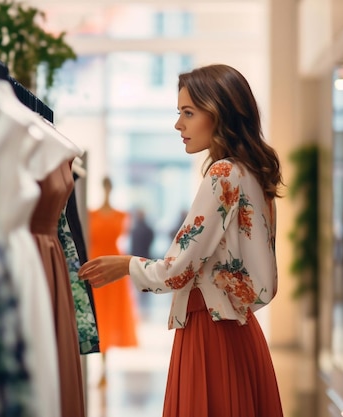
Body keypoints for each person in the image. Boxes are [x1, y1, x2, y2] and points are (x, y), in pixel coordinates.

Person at [78, 64, 284, 417]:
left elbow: (177, 270)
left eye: (188, 113)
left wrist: (126, 264)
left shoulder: (222, 175)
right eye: (179, 113)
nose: (179, 125)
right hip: (240, 330)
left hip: (211, 333)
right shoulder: (251, 173)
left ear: (219, 113)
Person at [87, 177, 139, 387]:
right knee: (97, 313)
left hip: (115, 266)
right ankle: (98, 365)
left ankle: (103, 368)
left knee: (110, 315)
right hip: (96, 262)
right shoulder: (91, 214)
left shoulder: (122, 215)